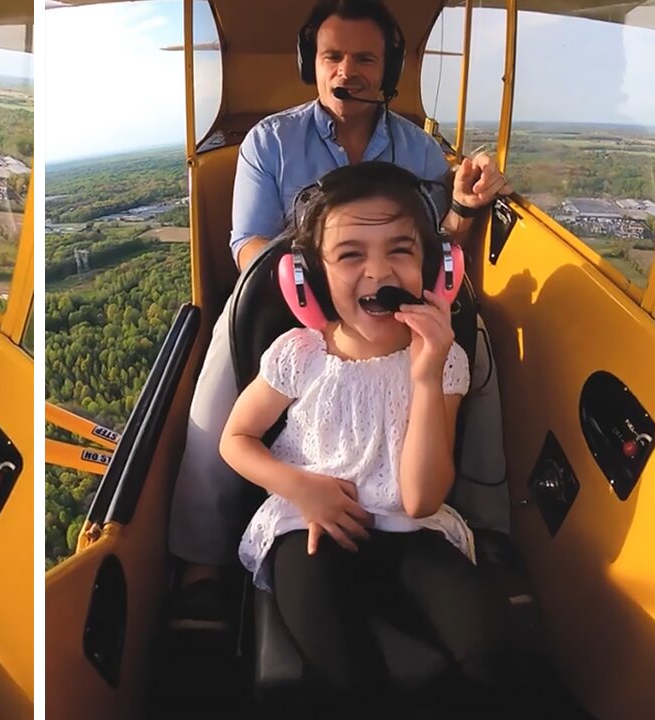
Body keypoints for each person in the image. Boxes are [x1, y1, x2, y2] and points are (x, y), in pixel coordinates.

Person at [167, 0, 512, 627]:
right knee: (222, 355)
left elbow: (440, 246)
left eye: (363, 59)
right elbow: (247, 248)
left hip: (395, 307)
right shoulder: (269, 142)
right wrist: (326, 306)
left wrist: (461, 205)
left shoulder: (419, 150)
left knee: (475, 343)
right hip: (287, 302)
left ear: (389, 70)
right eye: (332, 57)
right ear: (312, 63)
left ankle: (487, 527)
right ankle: (200, 561)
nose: (345, 71)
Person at [221, 162, 514, 718]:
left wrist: (425, 376)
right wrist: (301, 489)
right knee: (345, 672)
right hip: (311, 530)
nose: (378, 272)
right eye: (351, 254)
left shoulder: (444, 361)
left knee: (492, 649)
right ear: (311, 277)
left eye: (400, 250)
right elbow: (236, 438)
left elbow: (421, 499)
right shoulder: (299, 353)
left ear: (433, 269)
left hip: (412, 530)